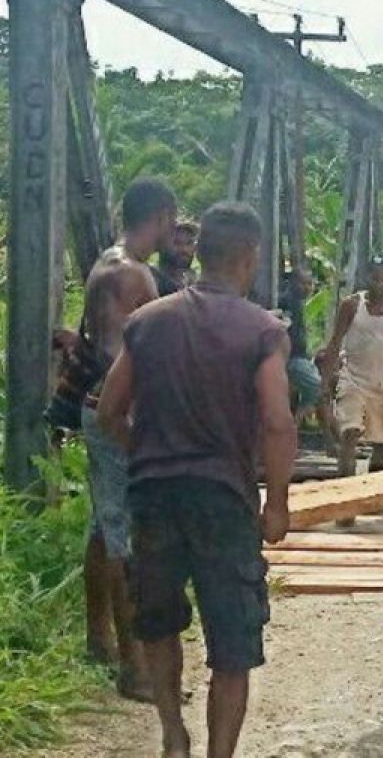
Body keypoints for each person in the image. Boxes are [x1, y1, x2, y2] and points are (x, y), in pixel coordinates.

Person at [97, 201, 297, 758]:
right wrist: (276, 504)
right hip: (222, 497)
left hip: (155, 495)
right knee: (232, 640)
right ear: (249, 256)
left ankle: (172, 733)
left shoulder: (149, 321)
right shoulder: (262, 331)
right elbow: (279, 422)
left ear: (201, 251)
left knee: (158, 619)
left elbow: (109, 409)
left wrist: (147, 454)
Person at [80, 177, 177, 700]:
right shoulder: (135, 274)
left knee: (103, 525)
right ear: (160, 217)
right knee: (126, 538)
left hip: (95, 403)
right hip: (117, 412)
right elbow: (145, 353)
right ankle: (135, 667)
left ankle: (99, 639)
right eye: (171, 221)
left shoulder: (104, 262)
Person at [320, 255, 383, 482]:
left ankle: (374, 490)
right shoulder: (352, 305)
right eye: (375, 278)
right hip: (352, 378)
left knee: (380, 441)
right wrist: (325, 382)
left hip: (382, 384)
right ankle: (345, 491)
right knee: (350, 432)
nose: (380, 284)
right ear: (367, 278)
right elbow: (335, 343)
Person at [280, 265, 322, 421]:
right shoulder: (286, 301)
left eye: (310, 284)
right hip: (292, 358)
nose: (307, 288)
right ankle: (296, 420)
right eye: (303, 283)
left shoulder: (297, 303)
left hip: (299, 357)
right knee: (318, 386)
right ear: (292, 283)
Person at [156, 219, 199, 293]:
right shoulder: (150, 280)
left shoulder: (195, 283)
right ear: (161, 246)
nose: (184, 249)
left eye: (189, 243)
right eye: (176, 243)